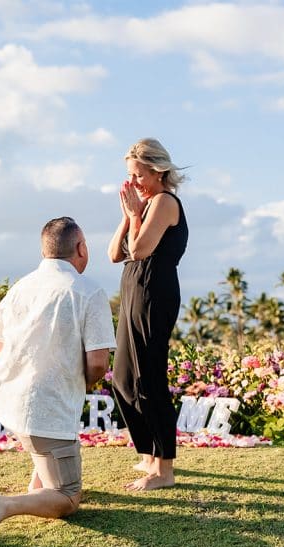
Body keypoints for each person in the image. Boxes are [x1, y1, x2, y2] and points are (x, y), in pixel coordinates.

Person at [0, 217, 116, 547]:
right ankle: (4, 505)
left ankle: (38, 486)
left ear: (44, 250)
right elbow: (98, 363)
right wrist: (78, 382)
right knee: (68, 497)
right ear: (81, 248)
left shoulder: (18, 289)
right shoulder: (88, 291)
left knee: (46, 450)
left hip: (11, 399)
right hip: (46, 407)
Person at [107, 138, 188, 491]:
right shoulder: (142, 205)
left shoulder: (165, 202)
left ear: (158, 171)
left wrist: (136, 215)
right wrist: (128, 216)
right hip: (132, 289)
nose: (133, 182)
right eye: (129, 175)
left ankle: (163, 470)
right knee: (123, 379)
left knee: (149, 379)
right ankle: (148, 454)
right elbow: (114, 254)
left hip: (155, 292)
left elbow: (139, 250)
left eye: (138, 175)